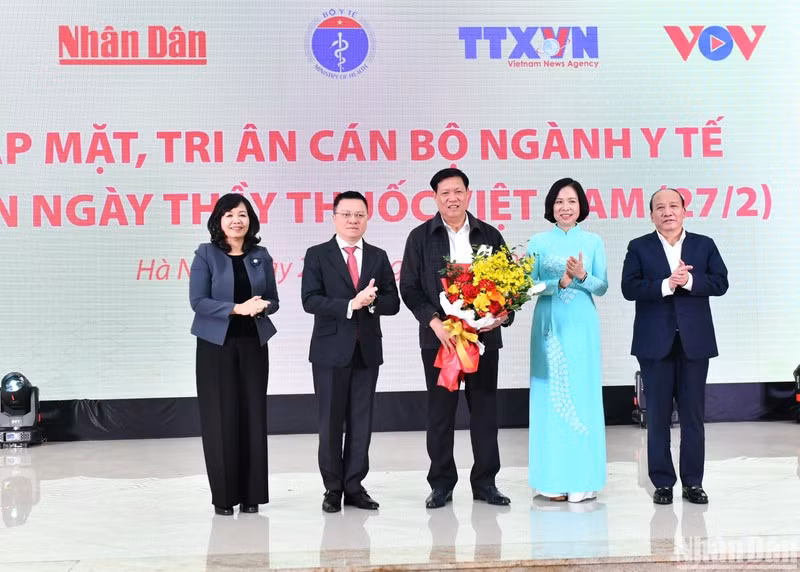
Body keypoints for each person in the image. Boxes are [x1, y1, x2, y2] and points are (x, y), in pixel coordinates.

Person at [400, 167, 513, 509]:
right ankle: (441, 484)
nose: (452, 198)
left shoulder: (490, 235)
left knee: (484, 413)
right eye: (445, 192)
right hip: (441, 341)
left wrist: (504, 314)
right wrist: (433, 322)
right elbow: (409, 287)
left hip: (482, 340)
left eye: (458, 191)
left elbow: (508, 286)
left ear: (468, 194)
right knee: (440, 414)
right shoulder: (420, 237)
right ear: (435, 197)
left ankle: (485, 483)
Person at [621, 188, 728, 505]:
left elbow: (720, 282)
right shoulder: (639, 247)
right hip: (654, 343)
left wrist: (690, 282)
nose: (667, 212)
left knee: (693, 417)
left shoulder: (703, 245)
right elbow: (630, 287)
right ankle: (663, 482)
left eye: (673, 206)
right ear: (651, 214)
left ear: (684, 211)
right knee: (657, 416)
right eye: (660, 207)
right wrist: (667, 284)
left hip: (695, 343)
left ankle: (693, 482)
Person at [301, 191, 400, 513]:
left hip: (366, 349)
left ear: (367, 218)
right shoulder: (317, 254)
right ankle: (332, 488)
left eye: (359, 215)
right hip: (329, 351)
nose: (353, 220)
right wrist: (349, 304)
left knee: (361, 421)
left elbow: (393, 303)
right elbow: (310, 300)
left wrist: (371, 304)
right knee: (330, 422)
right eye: (346, 214)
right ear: (334, 218)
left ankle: (355, 486)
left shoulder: (378, 255)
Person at [189, 193, 279, 516]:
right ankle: (224, 497)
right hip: (216, 347)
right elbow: (198, 302)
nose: (236, 221)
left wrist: (262, 306)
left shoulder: (261, 255)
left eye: (242, 214)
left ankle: (252, 494)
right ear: (219, 221)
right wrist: (238, 308)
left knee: (253, 417)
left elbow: (274, 300)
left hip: (254, 344)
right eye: (229, 215)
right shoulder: (206, 254)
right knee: (220, 419)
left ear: (250, 220)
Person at [527, 178, 608, 503]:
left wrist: (583, 277)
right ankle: (551, 479)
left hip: (581, 324)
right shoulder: (537, 241)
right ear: (551, 206)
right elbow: (526, 287)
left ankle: (582, 480)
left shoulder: (592, 241)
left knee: (582, 393)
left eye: (572, 201)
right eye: (559, 201)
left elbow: (602, 287)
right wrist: (557, 281)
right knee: (550, 395)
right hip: (549, 324)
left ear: (581, 207)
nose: (565, 207)